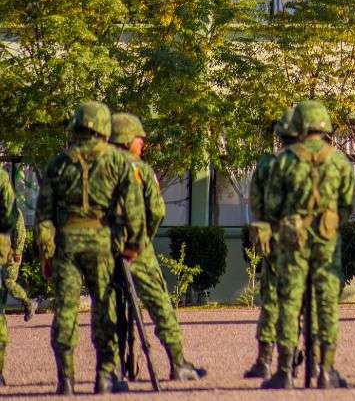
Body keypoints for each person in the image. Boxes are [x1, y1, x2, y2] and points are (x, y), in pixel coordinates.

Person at [34, 101, 146, 395]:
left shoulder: (58, 164)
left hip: (66, 245)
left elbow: (44, 215)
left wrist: (46, 252)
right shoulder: (118, 162)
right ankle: (104, 376)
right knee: (104, 307)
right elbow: (135, 209)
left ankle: (66, 380)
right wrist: (133, 246)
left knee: (65, 311)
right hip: (103, 244)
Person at [261, 100, 355, 390]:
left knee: (289, 301)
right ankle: (325, 370)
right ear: (324, 125)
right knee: (326, 302)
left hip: (293, 240)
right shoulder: (339, 161)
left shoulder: (285, 161)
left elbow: (272, 207)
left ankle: (285, 371)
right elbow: (347, 206)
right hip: (327, 240)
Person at [108, 113, 205, 381]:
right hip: (136, 249)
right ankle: (178, 362)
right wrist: (142, 240)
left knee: (107, 307)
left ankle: (111, 369)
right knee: (159, 303)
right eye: (140, 139)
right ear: (128, 140)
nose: (143, 145)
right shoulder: (139, 169)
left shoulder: (98, 168)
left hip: (103, 249)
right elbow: (157, 210)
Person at [244, 109, 298, 379]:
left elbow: (255, 203)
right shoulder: (312, 162)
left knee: (272, 300)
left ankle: (264, 359)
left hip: (275, 241)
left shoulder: (267, 164)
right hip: (307, 241)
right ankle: (301, 356)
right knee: (304, 300)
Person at [0, 164, 33, 387]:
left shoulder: (16, 213)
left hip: (9, 253)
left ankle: (27, 302)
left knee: (8, 282)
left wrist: (17, 251)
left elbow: (18, 230)